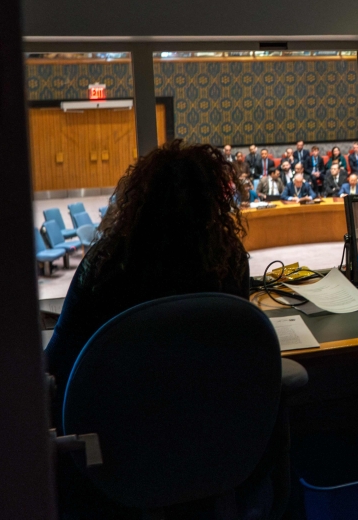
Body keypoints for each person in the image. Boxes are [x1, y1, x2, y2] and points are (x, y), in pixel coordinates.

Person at [47, 140, 250, 411]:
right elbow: (240, 349)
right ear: (212, 201)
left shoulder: (104, 263)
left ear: (139, 198)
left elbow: (58, 359)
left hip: (115, 423)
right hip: (209, 419)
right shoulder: (229, 259)